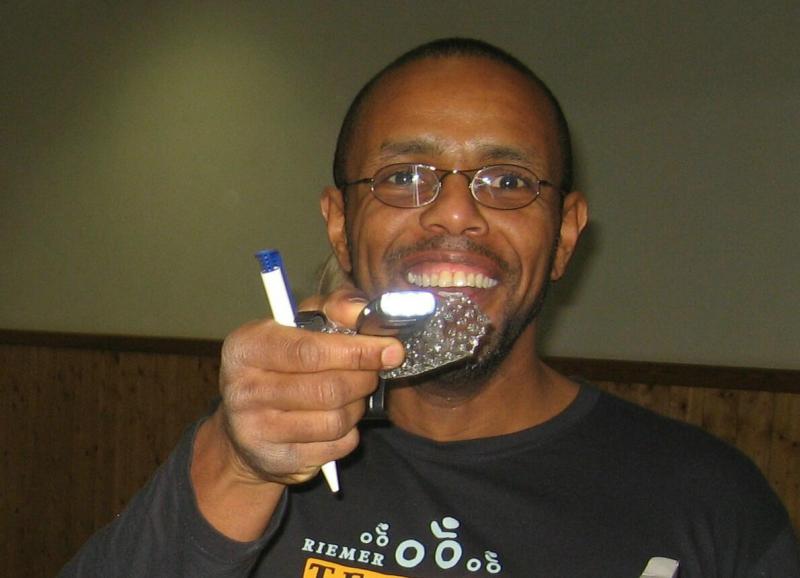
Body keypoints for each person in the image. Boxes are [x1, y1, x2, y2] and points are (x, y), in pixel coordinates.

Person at [60, 37, 798, 578]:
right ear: (340, 226)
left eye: (507, 181)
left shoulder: (706, 505)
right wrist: (235, 463)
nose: (454, 213)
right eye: (404, 175)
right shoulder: (255, 453)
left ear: (566, 235)